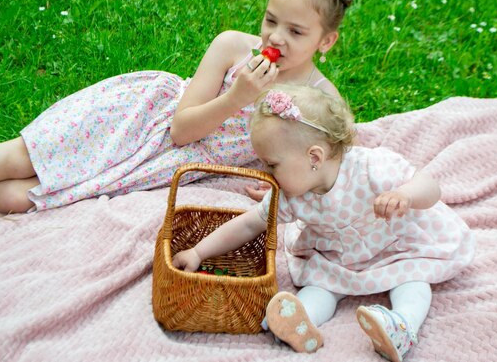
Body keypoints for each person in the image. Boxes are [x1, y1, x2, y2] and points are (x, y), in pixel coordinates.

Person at [0, 0, 355, 214]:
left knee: (32, 196)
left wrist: (279, 182)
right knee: (21, 158)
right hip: (141, 121)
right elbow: (181, 129)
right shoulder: (232, 47)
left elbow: (323, 168)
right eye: (270, 20)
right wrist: (237, 98)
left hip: (173, 167)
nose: (275, 38)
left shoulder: (323, 101)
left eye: (296, 31)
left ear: (326, 41)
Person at [172, 84, 475, 362]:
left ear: (314, 157)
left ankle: (403, 326)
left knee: (413, 281)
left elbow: (430, 186)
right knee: (321, 285)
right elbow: (249, 224)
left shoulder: (372, 167)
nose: (266, 173)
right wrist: (199, 252)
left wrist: (405, 195)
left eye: (272, 164)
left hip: (395, 247)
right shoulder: (292, 196)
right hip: (338, 256)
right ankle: (298, 321)